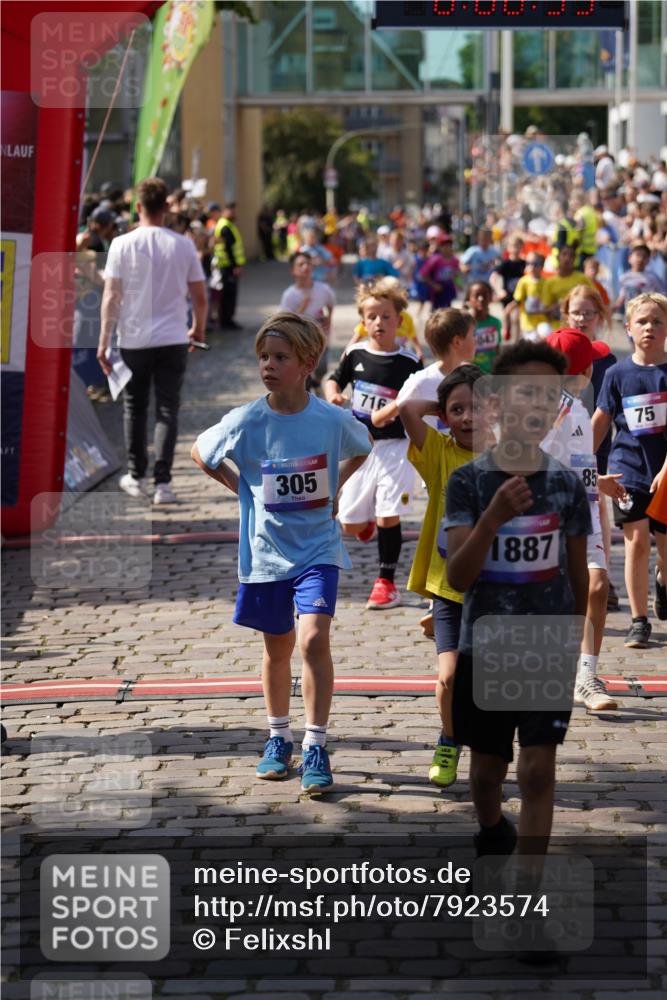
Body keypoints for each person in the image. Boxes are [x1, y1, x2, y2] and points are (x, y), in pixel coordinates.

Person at [191, 312, 372, 793]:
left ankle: (315, 743)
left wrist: (338, 488)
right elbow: (201, 451)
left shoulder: (332, 419)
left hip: (318, 549)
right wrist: (240, 487)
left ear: (308, 362)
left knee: (313, 640)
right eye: (263, 358)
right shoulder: (248, 418)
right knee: (278, 647)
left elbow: (364, 446)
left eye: (280, 358)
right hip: (266, 554)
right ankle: (278, 737)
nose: (268, 366)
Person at [444, 340, 591, 856]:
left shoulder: (567, 487)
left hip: (545, 647)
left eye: (549, 396)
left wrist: (572, 651)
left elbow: (579, 578)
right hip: (484, 647)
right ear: (498, 404)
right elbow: (459, 576)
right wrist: (492, 519)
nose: (537, 406)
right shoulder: (468, 482)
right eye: (526, 392)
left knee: (536, 771)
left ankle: (529, 891)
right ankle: (491, 829)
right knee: (485, 776)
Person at [399, 365, 489, 787]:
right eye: (458, 410)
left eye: (478, 409)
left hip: (496, 592)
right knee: (450, 675)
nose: (468, 417)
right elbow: (406, 409)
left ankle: (491, 750)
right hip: (448, 587)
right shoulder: (439, 452)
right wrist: (445, 405)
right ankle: (449, 740)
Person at [98, 176, 207, 504]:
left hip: (133, 339)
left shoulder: (122, 244)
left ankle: (136, 475)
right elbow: (200, 297)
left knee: (135, 408)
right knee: (167, 409)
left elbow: (111, 296)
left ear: (139, 207)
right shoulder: (183, 244)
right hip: (173, 337)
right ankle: (164, 484)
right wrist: (198, 328)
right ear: (166, 207)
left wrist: (104, 339)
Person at [325, 279, 422, 609]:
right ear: (362, 322)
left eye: (385, 316)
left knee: (388, 513)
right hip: (360, 449)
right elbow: (333, 379)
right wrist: (334, 394)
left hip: (396, 448)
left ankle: (386, 583)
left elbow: (422, 398)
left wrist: (399, 414)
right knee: (350, 524)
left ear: (399, 320)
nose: (378, 323)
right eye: (371, 317)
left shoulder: (409, 362)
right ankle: (365, 526)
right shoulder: (355, 354)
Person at [542, 328, 619, 712]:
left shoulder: (577, 405)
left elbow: (574, 460)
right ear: (582, 369)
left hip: (585, 512)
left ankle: (586, 677)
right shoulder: (550, 406)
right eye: (591, 359)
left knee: (597, 586)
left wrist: (597, 481)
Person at [592, 292, 667, 647]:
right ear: (628, 328)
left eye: (657, 321)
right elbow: (601, 420)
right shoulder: (618, 373)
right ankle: (639, 620)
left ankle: (662, 582)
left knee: (664, 547)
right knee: (636, 541)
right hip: (628, 470)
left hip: (664, 471)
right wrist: (582, 464)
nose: (649, 327)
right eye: (642, 321)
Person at [561, 283, 619, 611]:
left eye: (588, 313)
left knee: (598, 509)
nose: (582, 318)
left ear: (600, 316)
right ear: (566, 315)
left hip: (595, 444)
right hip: (565, 445)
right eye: (576, 313)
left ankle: (602, 577)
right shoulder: (557, 357)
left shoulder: (606, 358)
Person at [279, 251, 335, 389]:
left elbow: (330, 304)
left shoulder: (323, 289)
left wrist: (329, 317)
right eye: (301, 264)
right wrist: (301, 308)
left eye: (308, 264)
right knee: (304, 374)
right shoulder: (289, 295)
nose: (305, 267)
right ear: (292, 270)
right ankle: (307, 396)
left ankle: (316, 385)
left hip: (320, 338)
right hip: (300, 340)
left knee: (321, 369)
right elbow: (284, 321)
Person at [211, 202, 245, 331]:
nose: (234, 213)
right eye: (231, 211)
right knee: (228, 295)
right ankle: (226, 321)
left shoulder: (227, 225)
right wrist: (236, 266)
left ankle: (227, 319)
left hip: (228, 266)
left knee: (228, 294)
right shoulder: (225, 226)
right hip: (228, 266)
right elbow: (229, 248)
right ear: (225, 211)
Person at [543, 245, 594, 330]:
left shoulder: (583, 279)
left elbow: (595, 300)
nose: (567, 258)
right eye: (564, 254)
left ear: (575, 259)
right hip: (556, 328)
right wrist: (557, 306)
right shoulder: (549, 282)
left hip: (580, 327)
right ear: (558, 257)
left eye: (571, 256)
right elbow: (545, 310)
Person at [503, 252, 550, 342]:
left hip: (543, 321)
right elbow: (517, 300)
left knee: (546, 336)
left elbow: (548, 303)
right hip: (528, 323)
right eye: (528, 263)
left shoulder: (546, 283)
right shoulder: (523, 282)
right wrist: (507, 314)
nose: (531, 266)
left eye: (535, 264)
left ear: (542, 266)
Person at [614, 243, 666, 315]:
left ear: (648, 260)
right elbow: (622, 295)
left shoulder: (652, 277)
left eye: (644, 257)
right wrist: (614, 308)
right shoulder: (624, 277)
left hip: (648, 314)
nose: (640, 259)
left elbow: (663, 294)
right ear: (629, 258)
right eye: (638, 255)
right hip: (630, 314)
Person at [465, 281, 502, 373]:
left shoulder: (495, 323)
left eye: (484, 295)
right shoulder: (464, 324)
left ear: (490, 298)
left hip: (490, 374)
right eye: (476, 296)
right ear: (469, 299)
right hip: (469, 374)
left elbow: (497, 349)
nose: (481, 299)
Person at [418, 233, 460, 311]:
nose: (447, 248)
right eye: (444, 246)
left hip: (449, 289)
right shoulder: (435, 260)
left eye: (449, 245)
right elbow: (423, 274)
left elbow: (456, 274)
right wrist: (434, 285)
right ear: (440, 247)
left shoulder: (455, 260)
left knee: (448, 310)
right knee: (436, 312)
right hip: (437, 292)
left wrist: (458, 284)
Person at [491, 234, 526, 309]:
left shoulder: (525, 264)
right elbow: (493, 277)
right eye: (513, 245)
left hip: (521, 296)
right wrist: (499, 290)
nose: (515, 248)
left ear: (522, 246)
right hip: (508, 297)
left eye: (518, 245)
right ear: (508, 247)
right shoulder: (505, 264)